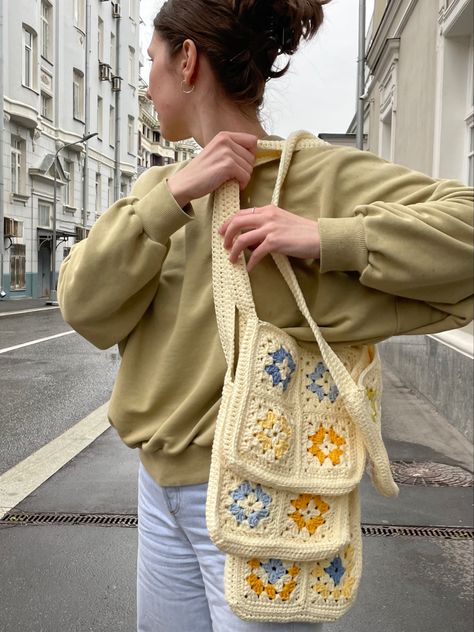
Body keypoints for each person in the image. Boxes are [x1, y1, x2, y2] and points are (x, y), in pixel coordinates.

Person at [57, 0, 474, 630]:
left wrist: (325, 237)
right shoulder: (157, 193)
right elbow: (83, 306)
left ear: (187, 60)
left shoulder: (314, 175)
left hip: (265, 489)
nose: (147, 83)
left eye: (151, 62)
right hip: (156, 490)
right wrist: (172, 195)